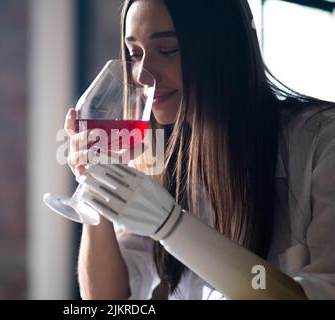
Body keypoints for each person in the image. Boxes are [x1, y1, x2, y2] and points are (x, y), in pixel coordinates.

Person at [65, 0, 335, 300]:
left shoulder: (321, 142)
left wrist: (171, 225)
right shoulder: (161, 158)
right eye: (134, 54)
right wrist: (97, 192)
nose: (142, 76)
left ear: (224, 47)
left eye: (167, 50)